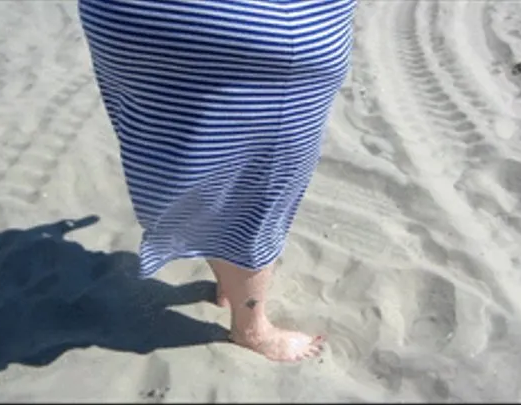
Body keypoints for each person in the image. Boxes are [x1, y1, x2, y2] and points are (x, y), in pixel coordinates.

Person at [78, 0, 355, 362]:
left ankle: (231, 279)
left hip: (131, 23)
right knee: (253, 197)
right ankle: (251, 327)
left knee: (199, 173)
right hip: (252, 37)